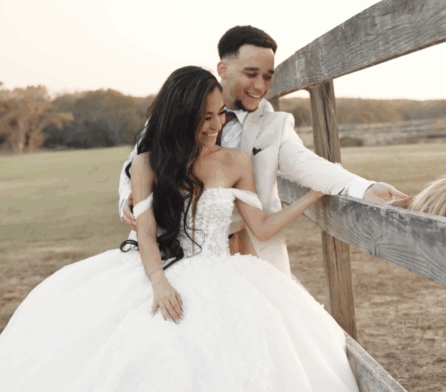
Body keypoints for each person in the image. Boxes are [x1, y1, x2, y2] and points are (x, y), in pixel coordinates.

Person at [0, 66, 360, 392]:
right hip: (163, 266)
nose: (215, 125)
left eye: (219, 113)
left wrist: (314, 194)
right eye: (204, 118)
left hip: (224, 270)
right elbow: (146, 235)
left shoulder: (235, 161)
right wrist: (160, 284)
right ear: (180, 118)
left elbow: (262, 227)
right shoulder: (147, 163)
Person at [118, 25, 407, 276]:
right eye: (251, 73)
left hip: (246, 253)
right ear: (223, 70)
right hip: (169, 252)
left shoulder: (274, 126)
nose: (260, 86)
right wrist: (127, 202)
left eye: (268, 76)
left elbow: (306, 163)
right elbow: (137, 163)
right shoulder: (177, 115)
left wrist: (363, 187)